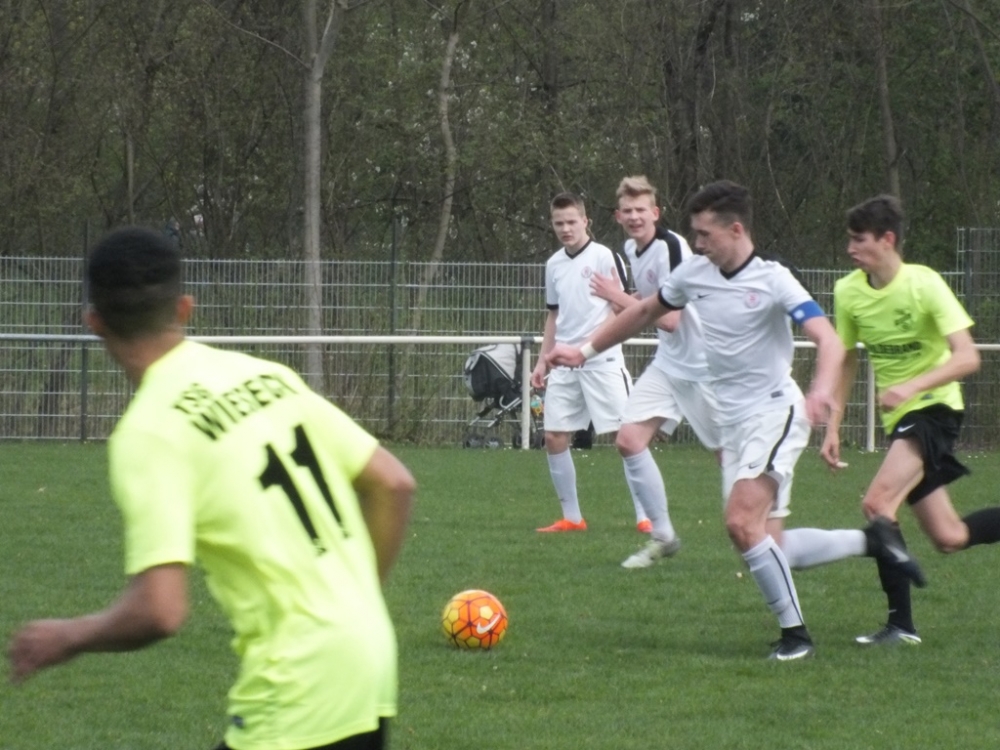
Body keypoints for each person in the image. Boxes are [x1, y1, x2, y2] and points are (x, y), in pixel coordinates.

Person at [7, 227, 416, 750]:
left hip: (297, 686)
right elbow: (393, 483)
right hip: (368, 663)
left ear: (95, 323)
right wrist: (354, 600)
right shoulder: (268, 375)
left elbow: (161, 610)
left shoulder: (149, 432)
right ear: (185, 307)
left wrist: (68, 636)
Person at [548, 180, 848, 660]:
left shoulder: (773, 279)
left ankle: (796, 638)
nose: (698, 243)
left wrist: (821, 390)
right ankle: (869, 543)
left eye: (705, 234)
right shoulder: (694, 273)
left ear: (736, 230)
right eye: (695, 233)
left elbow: (828, 340)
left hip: (776, 410)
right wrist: (582, 351)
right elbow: (645, 312)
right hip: (729, 413)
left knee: (741, 521)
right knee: (761, 539)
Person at [821, 194, 1000, 646]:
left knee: (877, 504)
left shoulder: (925, 284)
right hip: (901, 419)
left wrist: (911, 387)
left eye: (859, 240)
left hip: (936, 410)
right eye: (849, 239)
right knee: (950, 536)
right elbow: (846, 360)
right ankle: (902, 624)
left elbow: (968, 357)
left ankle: (901, 627)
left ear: (887, 239)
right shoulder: (848, 291)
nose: (850, 248)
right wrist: (833, 425)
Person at [587, 176, 720, 567]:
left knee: (729, 459)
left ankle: (764, 530)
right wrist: (622, 306)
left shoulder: (671, 247)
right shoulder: (632, 249)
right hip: (669, 363)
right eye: (627, 211)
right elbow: (646, 305)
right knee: (629, 441)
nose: (634, 217)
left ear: (655, 213)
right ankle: (663, 537)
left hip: (702, 366)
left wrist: (617, 297)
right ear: (617, 216)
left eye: (641, 210)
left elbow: (671, 319)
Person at [530, 192, 646, 533]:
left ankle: (646, 516)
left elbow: (624, 307)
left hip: (603, 361)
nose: (565, 229)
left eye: (571, 222)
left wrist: (589, 345)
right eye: (559, 223)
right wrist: (543, 361)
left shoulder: (604, 256)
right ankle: (572, 518)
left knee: (627, 437)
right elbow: (554, 316)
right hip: (564, 363)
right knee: (554, 436)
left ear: (586, 222)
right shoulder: (553, 264)